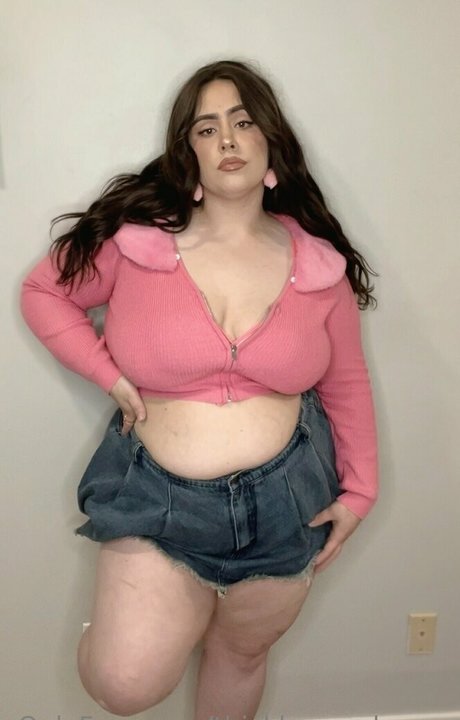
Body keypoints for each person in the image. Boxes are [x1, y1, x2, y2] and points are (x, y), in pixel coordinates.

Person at [20, 59, 379, 719]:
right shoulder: (138, 244)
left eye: (243, 122)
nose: (228, 140)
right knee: (124, 683)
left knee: (241, 655)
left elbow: (347, 382)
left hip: (288, 501)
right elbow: (44, 292)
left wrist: (361, 490)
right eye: (207, 129)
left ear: (270, 140)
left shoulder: (318, 266)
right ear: (189, 152)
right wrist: (109, 375)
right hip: (159, 497)